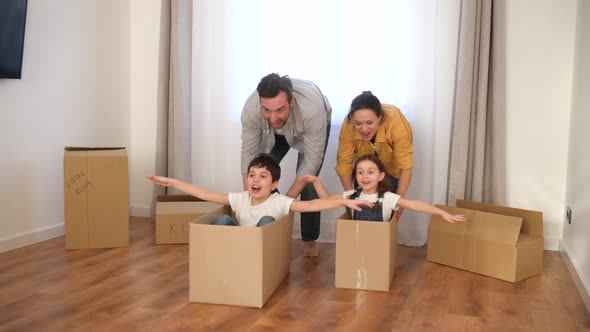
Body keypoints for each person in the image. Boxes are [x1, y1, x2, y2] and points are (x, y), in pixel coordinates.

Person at [241, 73, 332, 257]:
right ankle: (265, 230)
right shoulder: (251, 110)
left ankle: (309, 240)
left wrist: (282, 205)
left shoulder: (312, 110)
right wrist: (250, 196)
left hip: (309, 128)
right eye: (267, 110)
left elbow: (310, 164)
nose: (273, 117)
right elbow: (249, 157)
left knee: (308, 187)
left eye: (280, 109)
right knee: (261, 174)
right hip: (277, 134)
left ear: (291, 102)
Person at [147, 155, 372, 228]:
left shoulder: (279, 201)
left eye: (263, 177)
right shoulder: (240, 198)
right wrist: (174, 182)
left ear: (274, 184)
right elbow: (205, 194)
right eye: (252, 175)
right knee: (224, 218)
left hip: (261, 250)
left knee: (266, 220)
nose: (255, 180)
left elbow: (311, 205)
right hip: (238, 246)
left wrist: (343, 202)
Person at [298, 154, 466, 223]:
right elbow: (326, 200)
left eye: (370, 172)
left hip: (379, 246)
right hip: (357, 242)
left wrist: (442, 213)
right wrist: (316, 181)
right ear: (355, 177)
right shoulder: (352, 195)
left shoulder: (388, 197)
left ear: (381, 176)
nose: (365, 177)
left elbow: (415, 204)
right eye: (360, 173)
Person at [336, 91, 413, 220]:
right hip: (366, 166)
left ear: (380, 117)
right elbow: (344, 162)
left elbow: (406, 165)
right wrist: (350, 196)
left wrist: (399, 200)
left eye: (369, 123)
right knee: (362, 206)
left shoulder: (395, 121)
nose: (364, 129)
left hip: (391, 169)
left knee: (386, 209)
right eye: (358, 124)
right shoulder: (349, 124)